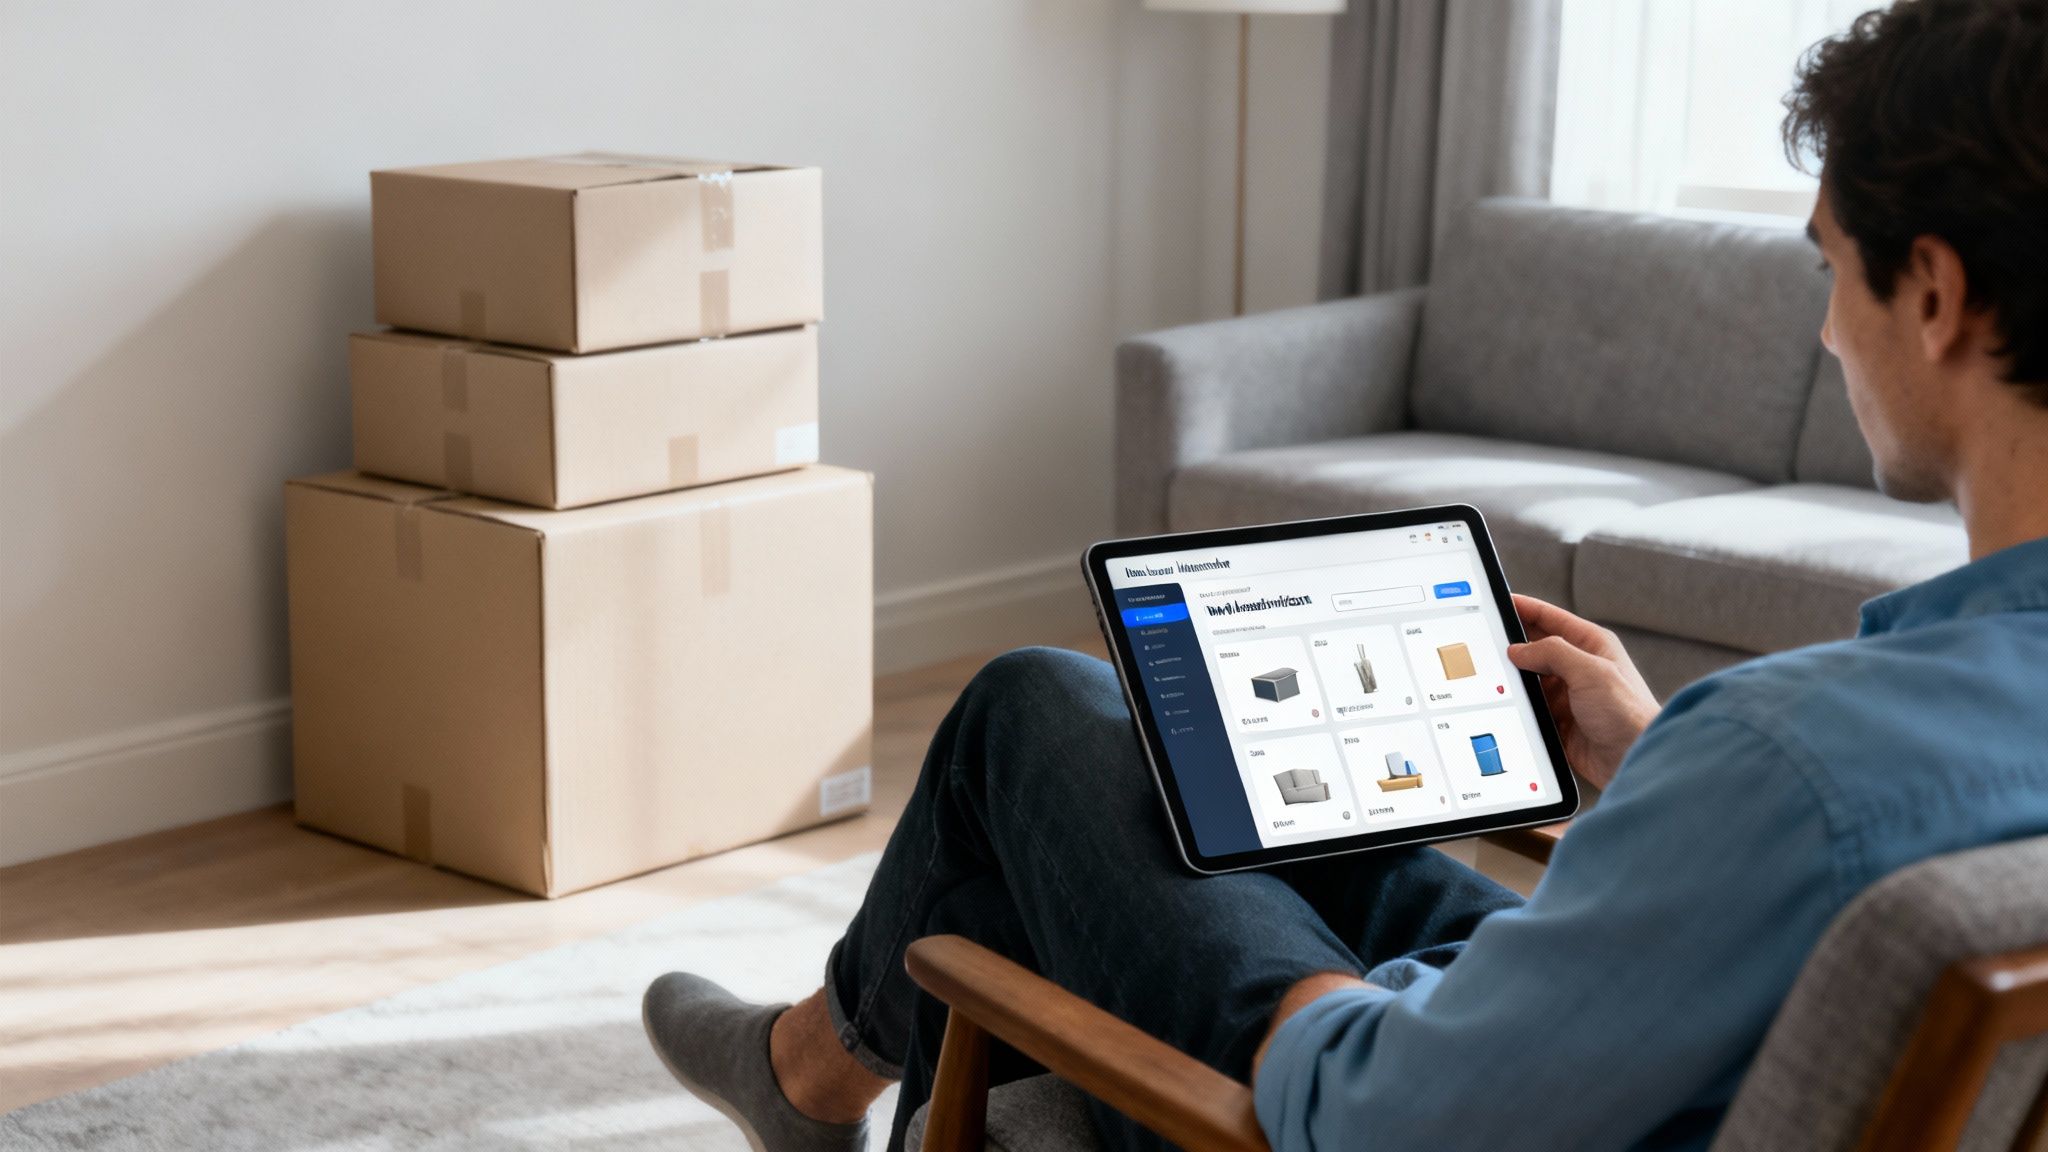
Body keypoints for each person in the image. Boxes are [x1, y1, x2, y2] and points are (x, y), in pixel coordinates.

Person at [642, 1, 2048, 1148]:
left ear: (1929, 291)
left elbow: (1384, 1118)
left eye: (1833, 276)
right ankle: (806, 1070)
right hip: (1689, 1055)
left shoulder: (1791, 766)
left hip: (1461, 1109)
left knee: (1036, 721)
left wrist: (1324, 992)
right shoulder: (1818, 763)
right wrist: (1665, 760)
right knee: (1225, 793)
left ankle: (810, 1069)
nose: (1823, 333)